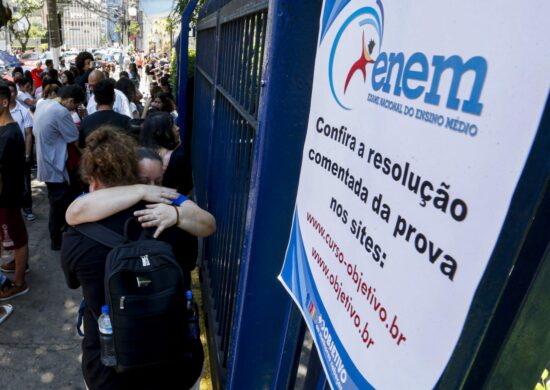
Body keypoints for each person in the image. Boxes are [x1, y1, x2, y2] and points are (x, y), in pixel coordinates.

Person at [61, 128, 211, 389]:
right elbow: (191, 258)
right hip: (176, 365)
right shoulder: (172, 216)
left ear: (93, 179)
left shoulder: (78, 233)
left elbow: (73, 280)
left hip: (109, 371)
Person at [33, 85, 85, 250]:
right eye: (75, 106)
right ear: (70, 100)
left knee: (56, 203)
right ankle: (58, 241)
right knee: (60, 206)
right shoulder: (61, 112)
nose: (74, 110)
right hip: (55, 165)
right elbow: (75, 140)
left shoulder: (44, 103)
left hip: (47, 162)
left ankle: (57, 238)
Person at [0, 83, 30, 300]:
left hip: (6, 198)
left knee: (17, 239)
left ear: (3, 102)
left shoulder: (9, 134)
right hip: (7, 196)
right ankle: (15, 264)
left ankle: (19, 282)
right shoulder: (4, 130)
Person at [6, 81, 34, 221]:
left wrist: (28, 154)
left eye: (13, 92)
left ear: (16, 94)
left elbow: (28, 133)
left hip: (21, 154)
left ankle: (27, 208)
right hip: (6, 156)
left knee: (25, 184)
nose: (11, 95)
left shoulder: (23, 111)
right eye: (8, 92)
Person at [79, 78, 131, 147]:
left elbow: (82, 148)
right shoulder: (125, 121)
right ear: (114, 97)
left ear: (94, 99)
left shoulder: (85, 122)